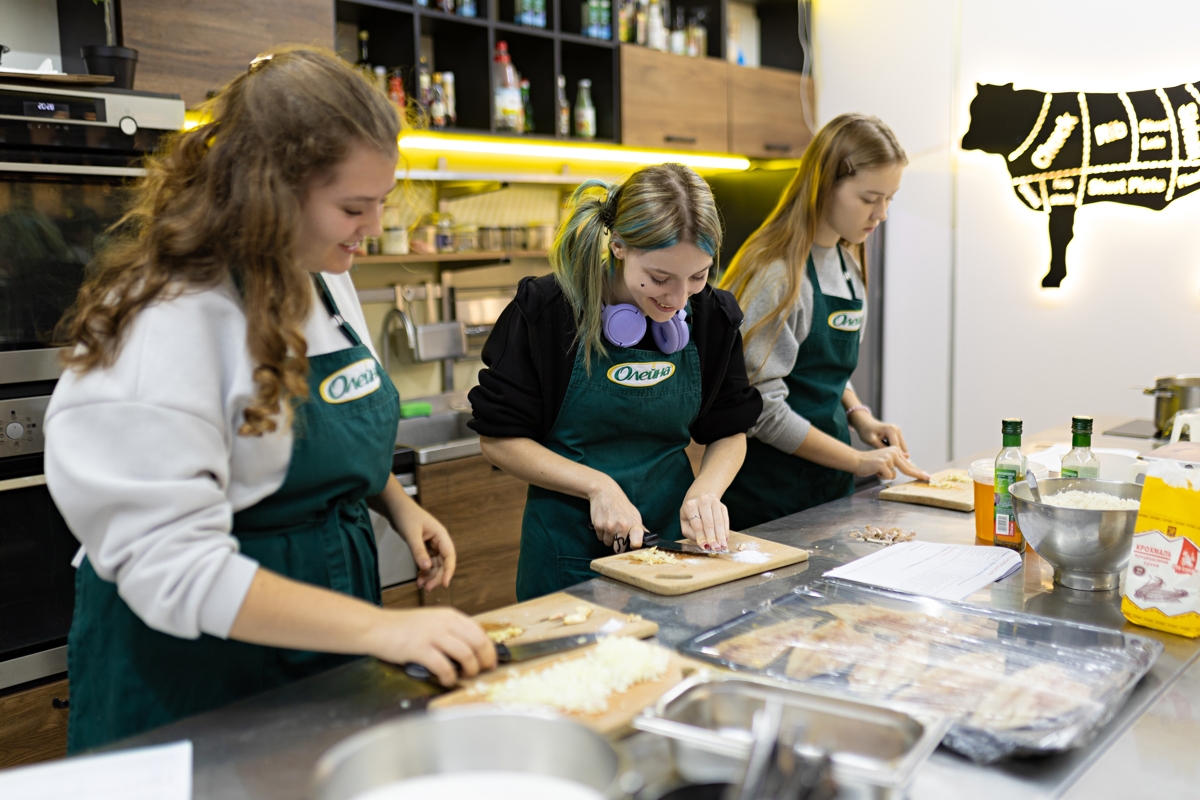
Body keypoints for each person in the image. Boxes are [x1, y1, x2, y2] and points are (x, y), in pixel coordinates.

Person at [44, 47, 494, 753]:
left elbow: (305, 437)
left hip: (323, 628)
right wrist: (383, 629)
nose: (374, 225)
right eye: (353, 207)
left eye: (381, 201)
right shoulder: (168, 319)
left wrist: (395, 503)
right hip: (194, 669)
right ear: (270, 193)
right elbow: (172, 565)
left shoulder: (321, 274)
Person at [469, 164, 762, 601]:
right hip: (568, 553)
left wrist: (706, 491)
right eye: (659, 278)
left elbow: (729, 430)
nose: (678, 299)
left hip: (674, 548)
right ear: (619, 246)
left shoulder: (711, 316)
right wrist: (597, 486)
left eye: (698, 276)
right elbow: (498, 440)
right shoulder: (549, 311)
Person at [719, 114, 930, 530]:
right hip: (771, 497)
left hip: (827, 488)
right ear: (825, 185)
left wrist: (860, 416)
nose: (882, 213)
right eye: (870, 198)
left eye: (889, 199)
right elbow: (761, 407)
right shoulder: (779, 275)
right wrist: (856, 459)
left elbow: (823, 370)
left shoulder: (847, 265)